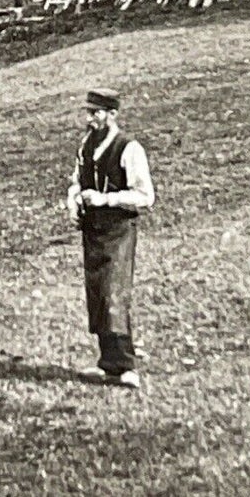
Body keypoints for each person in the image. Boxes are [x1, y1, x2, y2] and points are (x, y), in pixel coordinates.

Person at [66, 88, 155, 388]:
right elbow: (77, 180)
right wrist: (74, 200)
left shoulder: (128, 148)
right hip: (93, 231)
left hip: (117, 230)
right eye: (88, 113)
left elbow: (145, 197)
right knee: (98, 296)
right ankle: (108, 363)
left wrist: (105, 200)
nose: (90, 119)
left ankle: (126, 366)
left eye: (96, 113)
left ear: (112, 114)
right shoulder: (86, 145)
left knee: (114, 293)